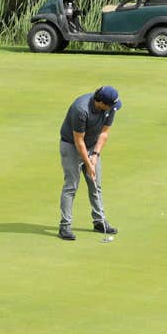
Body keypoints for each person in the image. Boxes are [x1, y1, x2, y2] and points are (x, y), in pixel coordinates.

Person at [58, 85, 121, 241]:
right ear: (100, 102)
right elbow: (78, 140)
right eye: (110, 105)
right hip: (71, 146)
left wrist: (95, 155)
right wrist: (87, 162)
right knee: (71, 186)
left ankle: (99, 221)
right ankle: (65, 226)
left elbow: (104, 132)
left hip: (92, 145)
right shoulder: (81, 109)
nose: (113, 108)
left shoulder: (110, 108)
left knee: (95, 184)